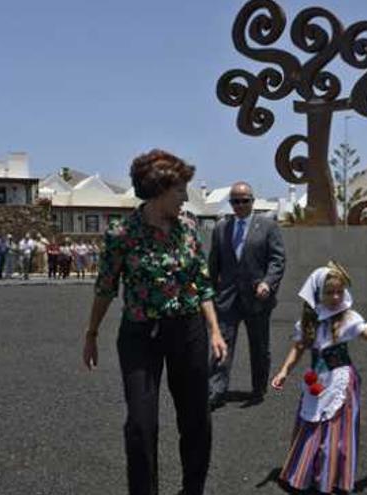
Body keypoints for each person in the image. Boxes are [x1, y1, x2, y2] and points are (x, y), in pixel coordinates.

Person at [82, 149, 228, 495]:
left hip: (186, 331)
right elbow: (105, 288)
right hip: (140, 334)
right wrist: (91, 333)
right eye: (179, 190)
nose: (184, 198)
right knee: (140, 424)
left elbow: (202, 282)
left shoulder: (189, 228)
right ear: (158, 190)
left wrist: (215, 331)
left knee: (196, 419)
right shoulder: (122, 234)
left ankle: (193, 488)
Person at [271, 262, 367, 494]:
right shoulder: (310, 320)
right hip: (316, 380)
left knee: (336, 433)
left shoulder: (348, 318)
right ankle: (305, 474)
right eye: (330, 292)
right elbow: (298, 347)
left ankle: (331, 479)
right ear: (318, 292)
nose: (336, 296)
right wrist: (284, 371)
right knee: (310, 424)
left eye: (339, 291)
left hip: (341, 381)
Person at [208, 181, 286, 409]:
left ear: (253, 201)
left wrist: (267, 283)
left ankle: (258, 388)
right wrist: (210, 293)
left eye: (244, 201)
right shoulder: (221, 227)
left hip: (257, 297)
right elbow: (214, 263)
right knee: (221, 343)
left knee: (259, 346)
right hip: (228, 298)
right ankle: (216, 390)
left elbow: (277, 260)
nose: (240, 205)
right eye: (235, 201)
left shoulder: (268, 226)